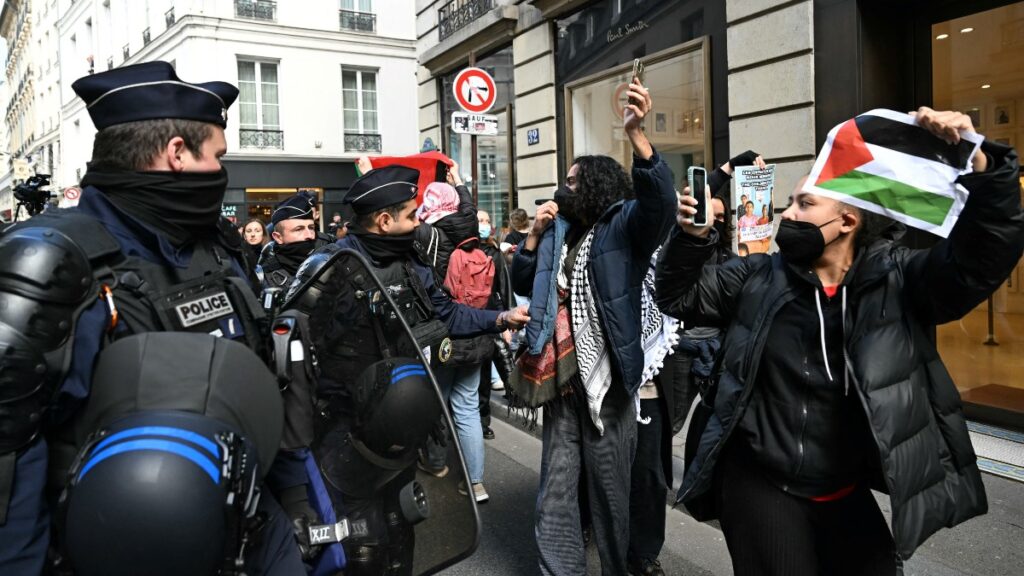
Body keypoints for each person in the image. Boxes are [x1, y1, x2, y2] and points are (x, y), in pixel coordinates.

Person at [656, 107, 1023, 574]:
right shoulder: (757, 277)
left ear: (848, 221)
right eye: (789, 203)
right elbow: (679, 296)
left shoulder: (898, 279)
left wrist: (985, 163)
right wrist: (690, 238)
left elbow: (980, 261)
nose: (787, 215)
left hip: (845, 490)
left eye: (804, 205)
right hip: (761, 484)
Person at [0, 61, 304, 575]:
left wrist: (297, 501)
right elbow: (9, 464)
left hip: (248, 525)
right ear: (178, 154)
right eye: (218, 155)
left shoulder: (218, 248)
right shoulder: (48, 265)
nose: (222, 171)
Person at [290, 164, 530, 574]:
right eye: (411, 215)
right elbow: (291, 345)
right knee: (360, 546)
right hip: (344, 434)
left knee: (400, 531)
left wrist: (500, 318)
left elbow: (446, 314)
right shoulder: (330, 267)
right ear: (385, 221)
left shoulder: (410, 264)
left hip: (397, 427)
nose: (419, 221)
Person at [511, 77, 676, 575]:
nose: (566, 187)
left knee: (610, 495)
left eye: (575, 181)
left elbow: (660, 207)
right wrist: (535, 235)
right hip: (562, 384)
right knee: (555, 491)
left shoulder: (622, 227)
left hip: (609, 389)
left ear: (597, 185)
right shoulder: (560, 232)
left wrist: (639, 139)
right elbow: (522, 278)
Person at [626, 150, 763, 576]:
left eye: (722, 217)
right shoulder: (681, 243)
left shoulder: (735, 256)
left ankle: (702, 495)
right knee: (669, 431)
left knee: (712, 429)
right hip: (678, 352)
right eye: (709, 212)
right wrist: (731, 165)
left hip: (717, 353)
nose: (715, 219)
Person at [476, 209, 514, 442]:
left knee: (496, 364)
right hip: (471, 320)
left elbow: (504, 287)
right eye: (480, 220)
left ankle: (484, 420)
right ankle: (479, 421)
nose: (485, 224)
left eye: (487, 221)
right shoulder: (463, 251)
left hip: (493, 319)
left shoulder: (494, 253)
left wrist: (508, 322)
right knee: (478, 375)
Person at [257, 193, 331, 295]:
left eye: (311, 228)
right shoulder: (265, 274)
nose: (309, 235)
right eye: (299, 229)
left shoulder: (331, 256)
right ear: (278, 237)